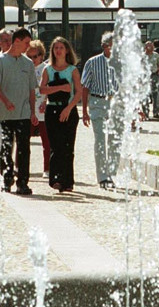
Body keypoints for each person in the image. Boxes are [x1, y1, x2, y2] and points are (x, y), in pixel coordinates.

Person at [0, 27, 38, 195]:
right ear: (17, 41)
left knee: (24, 148)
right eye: (26, 43)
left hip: (23, 112)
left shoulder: (28, 63)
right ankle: (7, 178)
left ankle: (23, 182)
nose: (28, 46)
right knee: (5, 148)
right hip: (3, 113)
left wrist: (33, 111)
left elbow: (32, 89)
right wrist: (6, 101)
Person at [41, 36, 82, 192]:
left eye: (61, 48)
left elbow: (78, 92)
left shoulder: (73, 70)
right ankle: (56, 179)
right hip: (52, 110)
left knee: (67, 147)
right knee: (55, 146)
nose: (58, 51)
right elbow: (42, 89)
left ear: (66, 51)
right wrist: (59, 88)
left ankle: (68, 181)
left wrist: (68, 108)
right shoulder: (47, 69)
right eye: (55, 48)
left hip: (68, 110)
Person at [81, 32, 118, 189]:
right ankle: (103, 177)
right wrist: (84, 111)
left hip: (115, 103)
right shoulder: (92, 62)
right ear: (105, 46)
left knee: (115, 141)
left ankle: (111, 173)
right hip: (97, 102)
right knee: (100, 140)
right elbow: (85, 87)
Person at [27, 39, 51, 178]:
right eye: (29, 57)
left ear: (41, 55)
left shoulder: (46, 68)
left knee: (46, 141)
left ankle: (47, 168)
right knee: (24, 141)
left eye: (35, 56)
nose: (32, 59)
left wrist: (45, 101)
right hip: (28, 108)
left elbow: (47, 87)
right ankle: (21, 167)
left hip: (42, 107)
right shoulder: (25, 68)